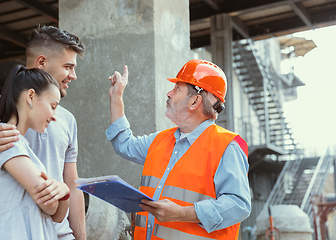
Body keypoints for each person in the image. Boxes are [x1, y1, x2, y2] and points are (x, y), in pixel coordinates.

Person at [106, 59, 251, 240]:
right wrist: (116, 97)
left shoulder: (227, 146)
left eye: (177, 89)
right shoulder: (160, 140)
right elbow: (124, 145)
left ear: (195, 101)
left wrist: (182, 213)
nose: (169, 93)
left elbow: (238, 205)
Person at [0, 25, 86, 240]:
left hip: (56, 234)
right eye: (68, 66)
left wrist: (80, 237)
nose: (73, 75)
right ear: (42, 62)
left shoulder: (67, 120)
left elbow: (71, 184)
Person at [0, 65, 70, 239]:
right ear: (31, 96)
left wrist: (64, 191)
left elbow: (57, 216)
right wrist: (59, 190)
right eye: (53, 106)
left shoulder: (20, 143)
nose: (54, 116)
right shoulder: (4, 136)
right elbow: (49, 204)